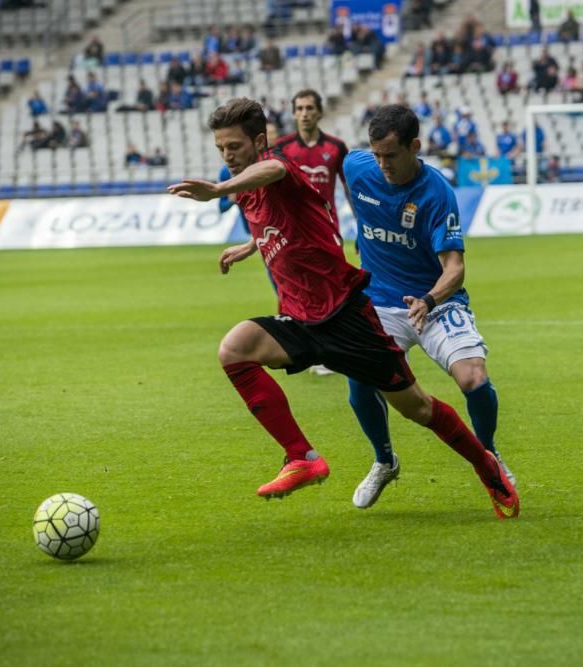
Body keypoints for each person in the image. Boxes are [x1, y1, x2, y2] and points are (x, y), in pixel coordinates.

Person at [165, 98, 518, 518]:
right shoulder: (253, 187)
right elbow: (291, 223)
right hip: (302, 317)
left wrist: (220, 188)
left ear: (259, 141)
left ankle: (486, 464)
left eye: (235, 147)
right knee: (234, 349)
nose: (227, 156)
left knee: (417, 408)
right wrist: (252, 244)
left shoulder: (277, 167)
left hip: (347, 315)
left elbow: (276, 170)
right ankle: (303, 457)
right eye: (221, 148)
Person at [341, 104, 517, 509]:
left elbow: (455, 268)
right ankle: (384, 461)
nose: (382, 164)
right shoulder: (356, 166)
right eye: (377, 154)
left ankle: (486, 454)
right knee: (359, 379)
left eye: (392, 154)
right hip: (380, 302)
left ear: (415, 146)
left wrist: (429, 299)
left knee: (473, 378)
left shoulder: (437, 192)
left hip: (434, 300)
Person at [273, 89, 351, 377]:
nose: (304, 113)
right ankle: (299, 349)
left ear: (319, 112)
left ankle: (332, 349)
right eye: (300, 108)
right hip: (292, 234)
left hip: (327, 231)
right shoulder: (281, 148)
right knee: (294, 291)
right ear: (293, 113)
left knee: (334, 292)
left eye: (309, 108)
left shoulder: (336, 147)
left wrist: (362, 227)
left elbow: (349, 188)